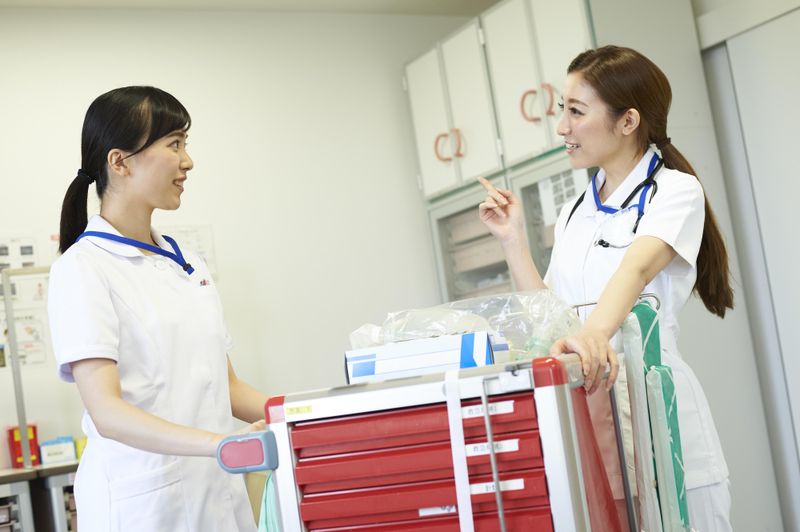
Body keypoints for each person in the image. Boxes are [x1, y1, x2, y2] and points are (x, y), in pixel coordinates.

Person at [479, 46, 732, 531]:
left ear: (628, 121)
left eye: (576, 112)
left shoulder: (675, 191)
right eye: (563, 111)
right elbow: (552, 319)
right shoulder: (576, 211)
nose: (562, 127)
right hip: (598, 413)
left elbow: (635, 270)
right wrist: (512, 240)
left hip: (661, 414)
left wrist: (593, 335)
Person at [48, 86, 268, 532]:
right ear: (120, 162)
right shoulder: (83, 268)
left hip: (216, 491)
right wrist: (220, 444)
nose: (188, 162)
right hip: (145, 507)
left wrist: (305, 415)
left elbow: (225, 386)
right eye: (174, 144)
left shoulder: (186, 263)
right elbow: (107, 412)